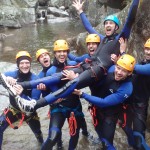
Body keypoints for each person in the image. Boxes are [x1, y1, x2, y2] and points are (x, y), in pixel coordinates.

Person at [0, 0, 140, 114]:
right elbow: (89, 28)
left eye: (112, 23)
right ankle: (19, 85)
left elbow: (130, 20)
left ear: (116, 28)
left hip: (97, 70)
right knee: (60, 75)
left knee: (71, 83)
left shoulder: (120, 39)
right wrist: (80, 11)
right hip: (87, 64)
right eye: (106, 23)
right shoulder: (102, 39)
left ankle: (35, 105)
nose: (108, 25)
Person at [73, 54, 136, 149]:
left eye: (124, 71)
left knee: (107, 143)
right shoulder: (111, 69)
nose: (119, 72)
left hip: (111, 114)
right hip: (98, 109)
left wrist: (82, 94)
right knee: (100, 133)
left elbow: (104, 102)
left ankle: (133, 145)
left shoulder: (127, 88)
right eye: (118, 68)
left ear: (129, 73)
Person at [39, 40, 89, 150]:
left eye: (64, 51)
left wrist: (76, 78)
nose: (62, 54)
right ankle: (59, 145)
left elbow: (85, 78)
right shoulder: (50, 71)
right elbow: (49, 93)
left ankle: (84, 136)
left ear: (67, 52)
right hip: (59, 108)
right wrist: (48, 96)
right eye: (59, 51)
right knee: (53, 137)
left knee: (75, 136)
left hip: (74, 107)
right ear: (55, 53)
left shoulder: (74, 66)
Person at [0, 51, 43, 150]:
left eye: (27, 63)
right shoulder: (12, 74)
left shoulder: (35, 79)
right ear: (18, 64)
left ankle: (42, 146)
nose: (25, 65)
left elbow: (34, 102)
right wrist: (6, 79)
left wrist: (21, 94)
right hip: (13, 109)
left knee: (38, 133)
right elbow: (0, 76)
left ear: (30, 64)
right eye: (22, 63)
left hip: (29, 113)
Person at [128, 38, 150, 149]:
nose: (148, 52)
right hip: (130, 102)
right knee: (129, 134)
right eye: (147, 49)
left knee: (139, 139)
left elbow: (135, 68)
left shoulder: (146, 66)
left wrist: (122, 56)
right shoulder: (143, 61)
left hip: (140, 106)